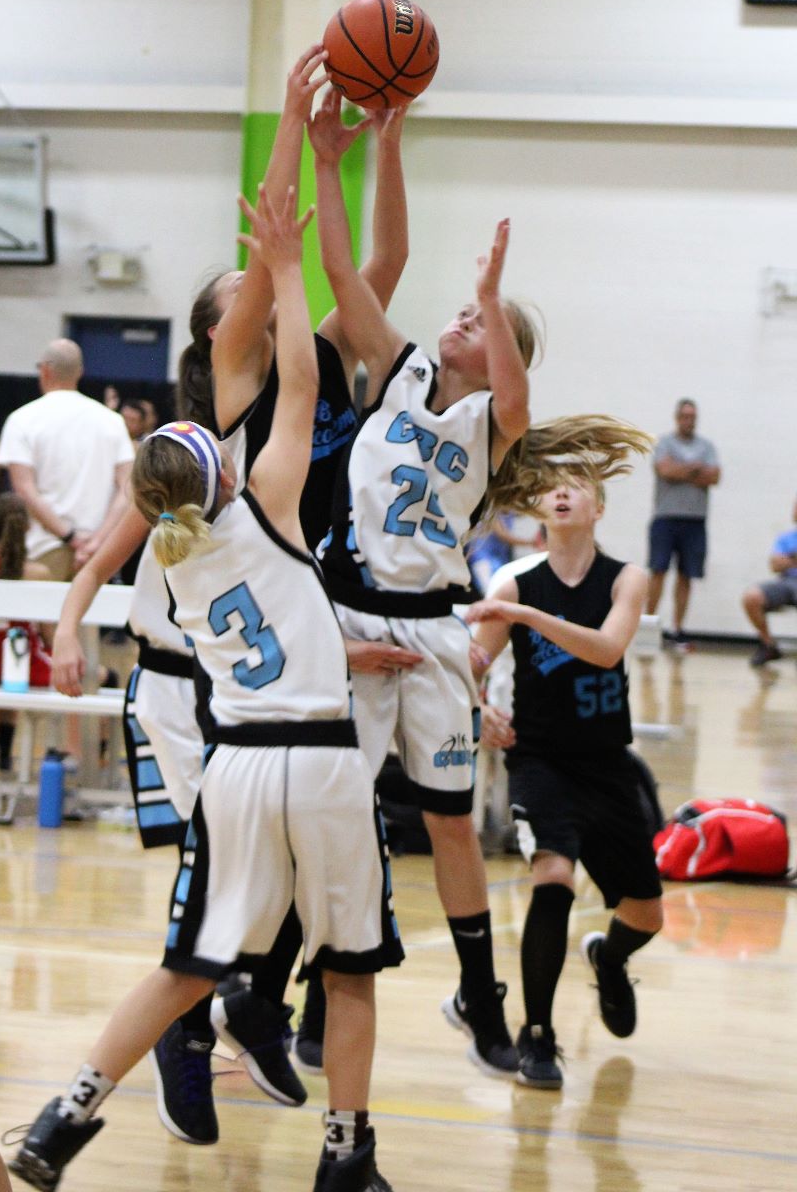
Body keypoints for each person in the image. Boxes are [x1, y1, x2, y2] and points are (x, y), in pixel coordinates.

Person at [9, 187, 403, 1192]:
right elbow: (302, 385)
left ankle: (62, 1119)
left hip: (233, 765)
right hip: (318, 759)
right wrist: (287, 268)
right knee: (351, 969)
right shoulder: (270, 509)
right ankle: (346, 1155)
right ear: (222, 475)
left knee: (185, 963)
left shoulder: (180, 565)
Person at [308, 86, 635, 1080]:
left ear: (498, 360)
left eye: (479, 322)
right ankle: (318, 996)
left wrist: (494, 301)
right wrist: (360, 151)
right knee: (340, 814)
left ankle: (482, 1000)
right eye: (460, 310)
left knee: (450, 822)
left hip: (434, 631)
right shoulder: (397, 370)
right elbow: (349, 272)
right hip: (353, 616)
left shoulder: (495, 426)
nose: (460, 318)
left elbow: (520, 394)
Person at [182, 46, 419, 1079]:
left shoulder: (317, 352)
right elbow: (272, 230)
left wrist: (366, 149)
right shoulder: (236, 373)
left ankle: (260, 1012)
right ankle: (210, 1015)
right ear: (219, 327)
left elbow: (384, 264)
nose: (263, 275)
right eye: (241, 288)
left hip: (314, 599)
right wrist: (286, 114)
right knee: (263, 859)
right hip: (269, 625)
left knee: (320, 845)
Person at [467, 448, 663, 1090]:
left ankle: (609, 959)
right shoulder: (515, 583)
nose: (562, 494)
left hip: (607, 763)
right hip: (540, 759)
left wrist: (523, 617)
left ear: (597, 508)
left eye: (576, 486)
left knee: (646, 914)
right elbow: (469, 664)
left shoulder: (625, 578)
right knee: (553, 879)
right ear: (538, 507)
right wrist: (476, 710)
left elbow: (605, 650)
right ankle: (537, 1037)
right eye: (552, 487)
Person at [0, 340, 136, 580]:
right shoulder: (112, 421)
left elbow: (24, 489)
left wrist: (70, 537)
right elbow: (128, 489)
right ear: (80, 372)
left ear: (44, 370)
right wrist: (96, 541)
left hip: (42, 548)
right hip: (96, 554)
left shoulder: (22, 419)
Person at [645, 398, 721, 647]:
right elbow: (665, 471)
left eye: (693, 417)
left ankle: (677, 629)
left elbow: (714, 476)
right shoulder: (664, 443)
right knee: (658, 570)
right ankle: (649, 624)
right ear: (677, 418)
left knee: (686, 574)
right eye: (685, 417)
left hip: (695, 520)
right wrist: (696, 469)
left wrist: (681, 471)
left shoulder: (706, 446)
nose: (689, 421)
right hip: (666, 517)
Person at [0, 493, 54, 774]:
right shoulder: (37, 573)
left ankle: (4, 754)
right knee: (105, 676)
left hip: (6, 664)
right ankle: (6, 755)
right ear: (27, 527)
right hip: (24, 668)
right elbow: (49, 636)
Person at [741, 494, 797, 667]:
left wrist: (789, 559)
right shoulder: (785, 538)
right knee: (752, 597)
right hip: (787, 581)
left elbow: (782, 561)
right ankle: (768, 645)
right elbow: (775, 565)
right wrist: (790, 560)